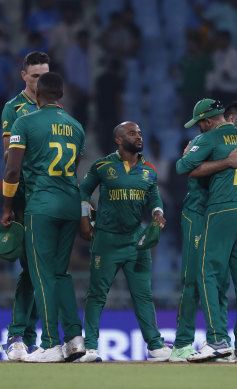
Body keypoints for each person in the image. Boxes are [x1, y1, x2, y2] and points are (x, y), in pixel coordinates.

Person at [1, 72, 86, 363]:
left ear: (37, 94)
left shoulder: (24, 122)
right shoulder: (76, 126)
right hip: (70, 204)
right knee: (61, 274)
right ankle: (75, 339)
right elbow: (73, 167)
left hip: (42, 205)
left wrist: (6, 207)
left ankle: (49, 343)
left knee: (41, 275)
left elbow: (12, 171)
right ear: (61, 95)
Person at [177, 99, 237, 363]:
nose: (199, 128)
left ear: (207, 121)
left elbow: (183, 167)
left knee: (206, 272)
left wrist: (222, 164)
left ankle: (216, 340)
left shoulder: (212, 137)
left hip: (221, 209)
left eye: (199, 124)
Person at [78, 121, 171, 363]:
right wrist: (85, 217)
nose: (138, 136)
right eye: (132, 133)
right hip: (106, 241)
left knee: (144, 295)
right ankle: (90, 347)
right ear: (118, 140)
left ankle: (155, 346)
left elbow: (154, 197)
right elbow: (83, 191)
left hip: (136, 241)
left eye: (140, 132)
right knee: (97, 295)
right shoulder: (102, 165)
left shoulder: (149, 169)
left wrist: (158, 212)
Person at [0, 51, 50, 361]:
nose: (40, 81)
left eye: (45, 75)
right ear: (23, 77)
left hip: (47, 196)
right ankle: (16, 335)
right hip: (24, 197)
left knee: (38, 270)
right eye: (34, 76)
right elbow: (8, 156)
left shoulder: (53, 107)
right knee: (32, 269)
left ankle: (27, 338)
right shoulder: (13, 108)